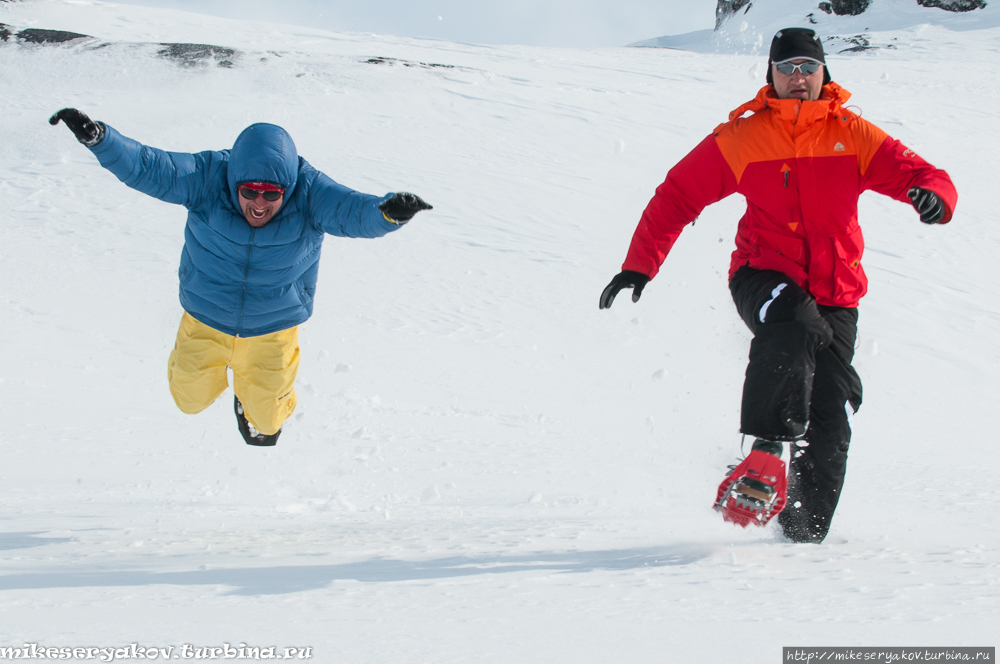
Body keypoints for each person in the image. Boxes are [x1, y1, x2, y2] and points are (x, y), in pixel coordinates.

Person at [598, 28, 957, 543]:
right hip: (762, 276)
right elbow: (678, 195)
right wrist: (640, 265)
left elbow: (919, 172)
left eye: (806, 68)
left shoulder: (851, 134)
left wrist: (933, 196)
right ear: (770, 74)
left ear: (823, 72)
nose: (797, 77)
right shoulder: (745, 137)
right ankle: (766, 448)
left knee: (830, 427)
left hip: (837, 294)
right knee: (793, 321)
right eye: (786, 67)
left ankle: (800, 542)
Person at [50, 108, 431, 447]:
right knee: (188, 401)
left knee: (267, 425)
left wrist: (389, 214)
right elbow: (151, 167)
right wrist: (101, 140)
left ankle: (256, 401)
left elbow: (354, 211)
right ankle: (223, 379)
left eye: (272, 193)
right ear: (234, 181)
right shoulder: (207, 177)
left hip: (272, 329)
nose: (259, 203)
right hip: (205, 319)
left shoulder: (311, 191)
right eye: (249, 191)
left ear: (289, 187)